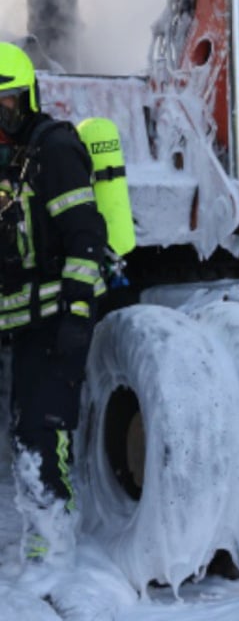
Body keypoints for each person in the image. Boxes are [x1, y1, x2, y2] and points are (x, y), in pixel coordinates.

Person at [0, 41, 107, 579]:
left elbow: (87, 237)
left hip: (56, 322)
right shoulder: (9, 165)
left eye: (9, 105)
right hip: (23, 325)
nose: (2, 119)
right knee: (26, 431)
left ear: (29, 99)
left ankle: (54, 554)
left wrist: (77, 316)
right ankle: (43, 547)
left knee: (43, 434)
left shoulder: (54, 149)